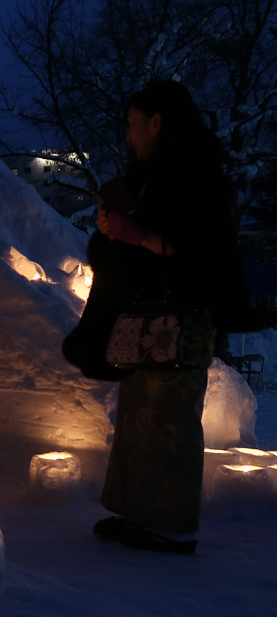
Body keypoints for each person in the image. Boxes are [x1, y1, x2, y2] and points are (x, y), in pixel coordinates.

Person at [91, 79, 241, 554]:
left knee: (171, 419)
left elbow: (202, 252)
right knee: (140, 417)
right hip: (147, 317)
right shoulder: (152, 177)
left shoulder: (197, 178)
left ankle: (173, 527)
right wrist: (116, 230)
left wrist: (136, 235)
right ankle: (139, 513)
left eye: (133, 124)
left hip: (180, 318)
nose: (129, 135)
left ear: (157, 122)